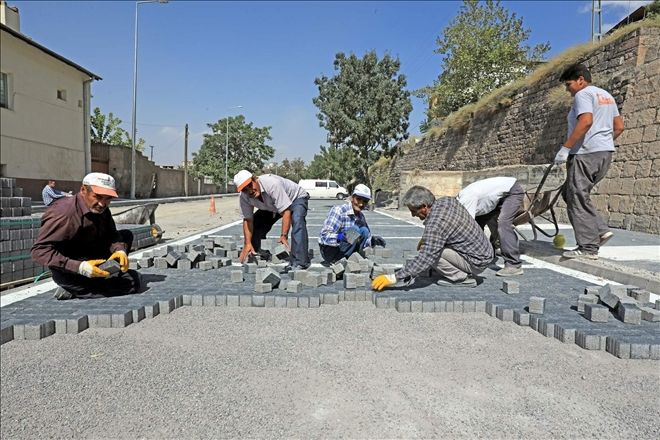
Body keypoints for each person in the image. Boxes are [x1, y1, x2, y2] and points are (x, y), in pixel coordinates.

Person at [32, 173, 141, 300]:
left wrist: (119, 250)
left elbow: (112, 235)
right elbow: (39, 251)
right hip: (70, 268)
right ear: (83, 190)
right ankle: (74, 287)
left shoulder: (102, 209)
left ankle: (101, 278)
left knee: (126, 236)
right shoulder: (64, 214)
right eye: (98, 197)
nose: (102, 204)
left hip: (89, 252)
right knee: (133, 282)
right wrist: (80, 267)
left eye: (108, 198)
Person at [555, 63, 624, 260]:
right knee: (571, 192)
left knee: (576, 196)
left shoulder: (583, 95)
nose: (567, 90)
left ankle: (588, 247)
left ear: (580, 80)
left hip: (585, 154)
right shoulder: (606, 96)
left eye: (568, 84)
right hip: (604, 154)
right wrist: (602, 143)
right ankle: (600, 230)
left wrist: (566, 147)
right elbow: (619, 127)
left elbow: (585, 121)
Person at [372, 185, 494, 291]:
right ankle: (454, 269)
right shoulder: (446, 201)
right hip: (485, 252)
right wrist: (427, 237)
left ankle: (461, 278)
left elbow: (426, 256)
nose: (413, 215)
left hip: (477, 262)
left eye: (414, 211)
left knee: (431, 254)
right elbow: (445, 226)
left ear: (424, 206)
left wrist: (394, 278)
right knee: (432, 246)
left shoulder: (436, 223)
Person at [234, 170, 311, 270]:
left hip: (296, 198)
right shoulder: (244, 197)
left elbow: (286, 211)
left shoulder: (272, 184)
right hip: (273, 206)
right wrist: (247, 243)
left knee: (297, 220)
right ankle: (257, 253)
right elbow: (248, 220)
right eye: (244, 189)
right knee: (256, 223)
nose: (249, 191)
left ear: (255, 179)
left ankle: (300, 261)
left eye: (250, 185)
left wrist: (283, 235)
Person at [457, 177, 524, 277]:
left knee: (503, 224)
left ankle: (514, 265)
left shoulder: (466, 200)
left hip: (511, 191)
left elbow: (467, 227)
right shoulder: (459, 203)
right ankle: (486, 253)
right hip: (495, 198)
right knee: (478, 223)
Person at [318, 184, 386, 264]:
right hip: (331, 251)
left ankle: (352, 260)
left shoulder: (361, 217)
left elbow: (365, 240)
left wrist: (373, 241)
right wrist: (341, 236)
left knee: (364, 230)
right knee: (355, 230)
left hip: (347, 251)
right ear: (352, 198)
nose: (361, 204)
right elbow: (324, 237)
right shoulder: (339, 211)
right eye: (358, 199)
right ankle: (337, 261)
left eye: (365, 201)